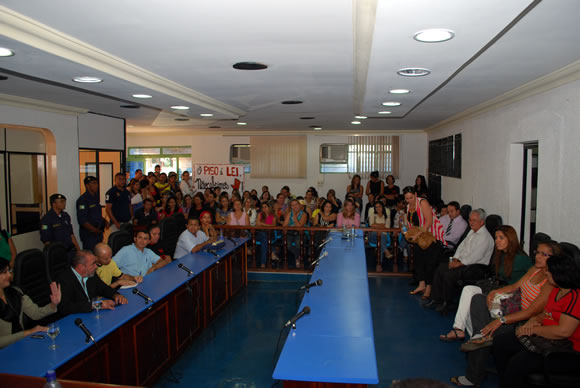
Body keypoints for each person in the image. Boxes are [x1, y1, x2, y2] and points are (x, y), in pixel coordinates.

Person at [449, 241, 560, 387]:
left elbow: (531, 311)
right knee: (479, 299)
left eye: (544, 254)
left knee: (485, 329)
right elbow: (515, 286)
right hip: (512, 306)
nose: (538, 257)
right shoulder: (535, 269)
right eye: (537, 252)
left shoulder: (550, 282)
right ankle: (481, 336)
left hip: (521, 318)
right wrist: (495, 292)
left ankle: (473, 375)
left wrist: (501, 320)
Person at [492, 253, 580, 388]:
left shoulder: (575, 297)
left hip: (565, 351)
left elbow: (564, 331)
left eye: (548, 271)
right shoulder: (556, 291)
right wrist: (533, 320)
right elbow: (545, 313)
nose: (546, 273)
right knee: (501, 342)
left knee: (517, 363)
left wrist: (534, 330)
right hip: (547, 339)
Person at [424, 209, 495, 310]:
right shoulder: (472, 231)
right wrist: (455, 258)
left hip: (476, 267)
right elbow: (461, 246)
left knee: (449, 274)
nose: (471, 222)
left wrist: (459, 264)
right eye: (470, 220)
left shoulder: (484, 237)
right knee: (441, 267)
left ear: (482, 222)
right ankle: (435, 299)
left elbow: (475, 257)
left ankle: (445, 302)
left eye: (474, 220)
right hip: (463, 262)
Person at [0, 259, 60, 349]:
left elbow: (35, 313)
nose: (9, 275)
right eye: (4, 272)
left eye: (9, 271)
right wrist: (28, 332)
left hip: (22, 344)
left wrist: (53, 304)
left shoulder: (15, 292)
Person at [55, 250, 127, 319]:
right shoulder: (64, 279)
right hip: (73, 319)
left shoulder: (91, 274)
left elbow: (103, 288)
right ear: (81, 267)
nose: (96, 266)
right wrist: (97, 304)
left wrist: (115, 295)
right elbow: (66, 307)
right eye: (93, 263)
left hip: (91, 316)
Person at [403, 186, 446, 298]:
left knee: (429, 264)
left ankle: (428, 287)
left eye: (411, 198)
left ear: (415, 195)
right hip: (419, 238)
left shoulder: (423, 202)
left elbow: (429, 221)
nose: (409, 200)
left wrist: (418, 234)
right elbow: (411, 223)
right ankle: (421, 284)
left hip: (430, 236)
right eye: (407, 198)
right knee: (419, 261)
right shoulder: (408, 207)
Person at [40, 193, 81, 258]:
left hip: (70, 251)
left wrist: (78, 250)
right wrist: (53, 254)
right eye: (61, 201)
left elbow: (71, 235)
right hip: (57, 254)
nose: (64, 203)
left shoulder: (65, 216)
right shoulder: (47, 219)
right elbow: (46, 240)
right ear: (54, 204)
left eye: (64, 201)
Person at [76, 176, 106, 251]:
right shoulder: (83, 200)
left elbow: (95, 215)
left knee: (98, 255)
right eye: (93, 183)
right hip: (89, 234)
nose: (96, 185)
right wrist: (94, 230)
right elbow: (82, 220)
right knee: (90, 256)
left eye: (96, 183)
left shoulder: (95, 197)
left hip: (98, 232)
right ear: (87, 185)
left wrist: (104, 221)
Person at [283, 199, 308, 269]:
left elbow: (299, 227)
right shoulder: (289, 214)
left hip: (300, 233)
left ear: (299, 205)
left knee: (298, 244)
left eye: (296, 204)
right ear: (291, 207)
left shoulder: (304, 214)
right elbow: (284, 225)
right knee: (287, 245)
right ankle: (298, 256)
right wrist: (294, 226)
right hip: (290, 233)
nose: (295, 207)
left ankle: (297, 259)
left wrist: (294, 216)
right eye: (292, 205)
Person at [256, 202, 277, 268]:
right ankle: (272, 251)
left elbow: (273, 226)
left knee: (264, 240)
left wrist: (262, 224)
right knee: (263, 235)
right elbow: (257, 224)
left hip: (270, 234)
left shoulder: (273, 215)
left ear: (269, 207)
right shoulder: (260, 214)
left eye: (265, 207)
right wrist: (268, 226)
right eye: (263, 207)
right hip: (260, 233)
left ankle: (263, 263)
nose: (264, 208)